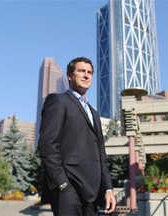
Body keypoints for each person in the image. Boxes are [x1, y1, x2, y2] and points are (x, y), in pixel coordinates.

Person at [38, 57, 116, 215]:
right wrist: (62, 184)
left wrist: (108, 189)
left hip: (92, 194)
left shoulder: (94, 113)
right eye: (81, 71)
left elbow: (101, 154)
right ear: (69, 75)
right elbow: (47, 145)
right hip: (68, 190)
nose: (87, 75)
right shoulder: (58, 101)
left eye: (90, 72)